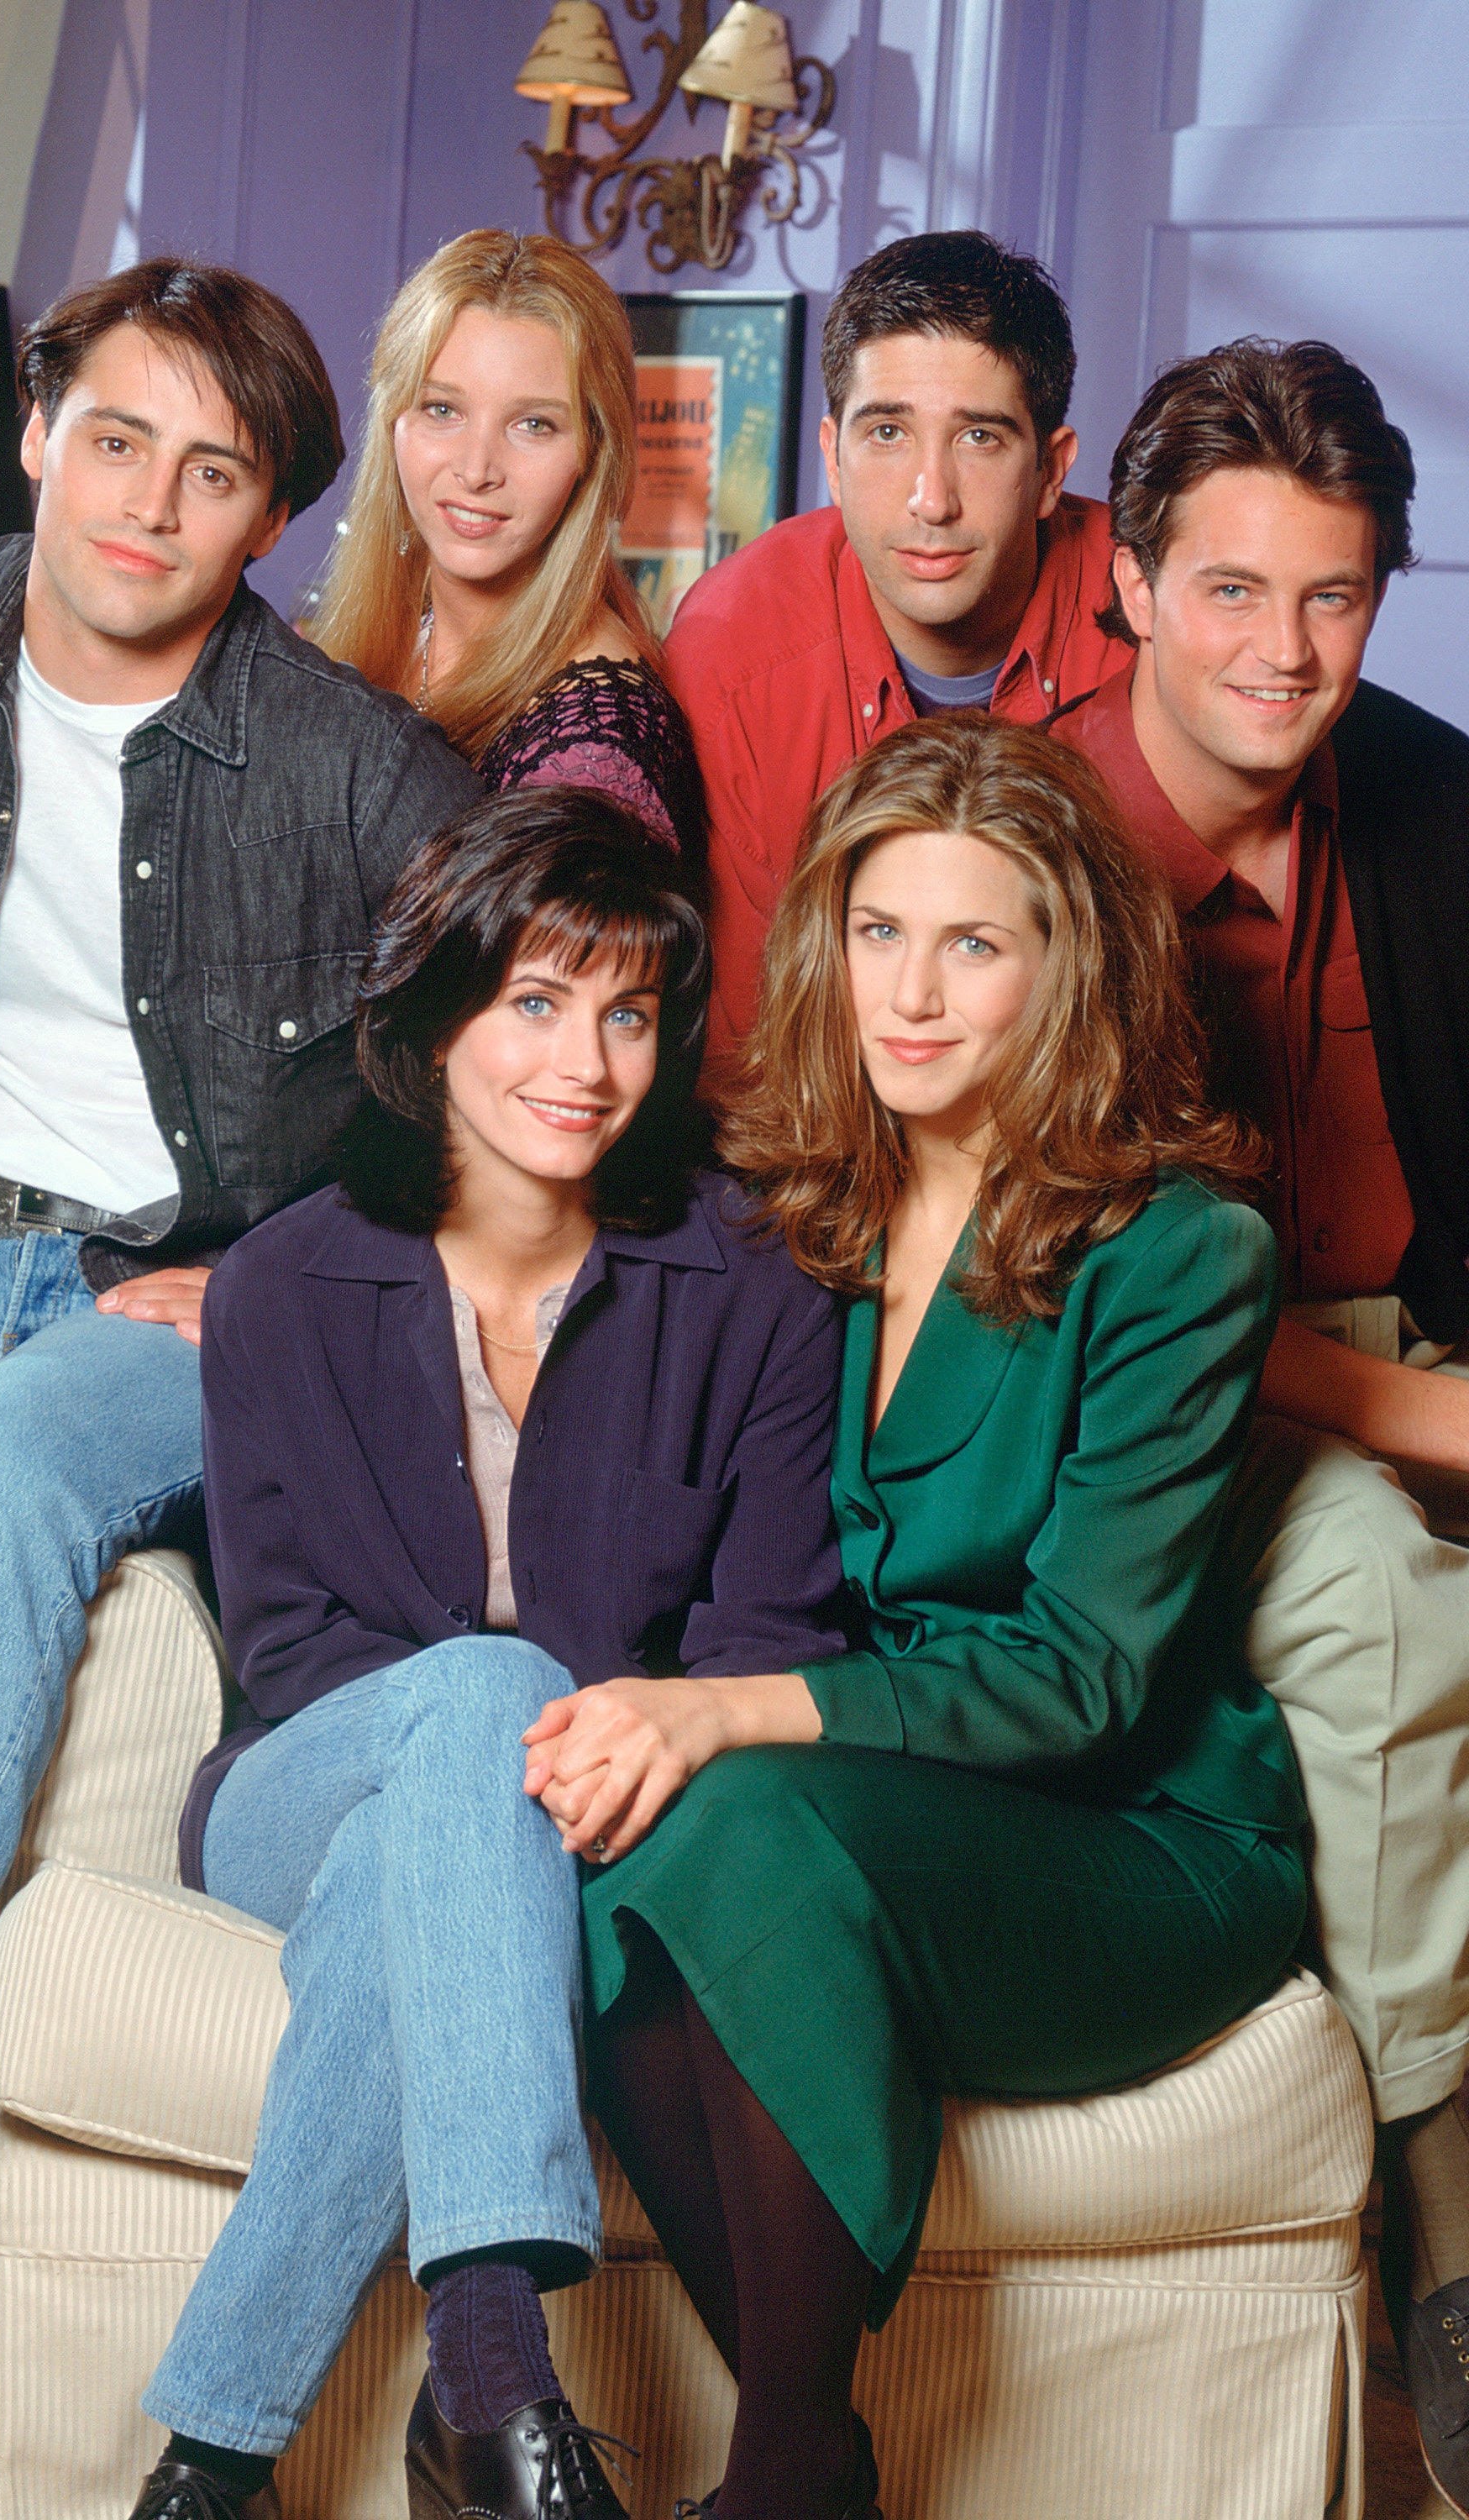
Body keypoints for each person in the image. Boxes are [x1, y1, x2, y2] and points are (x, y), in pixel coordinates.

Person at [0, 257, 477, 2339]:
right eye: (112, 441)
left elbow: (512, 1095)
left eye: (210, 473)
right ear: (35, 430)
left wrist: (278, 1272)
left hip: (181, 1308)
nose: (144, 507)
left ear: (269, 516)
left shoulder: (358, 767)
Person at [519, 717, 1309, 2520]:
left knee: (728, 1809)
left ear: (1070, 968)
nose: (914, 994)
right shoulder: (792, 1208)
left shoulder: (1182, 1251)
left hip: (1134, 1844)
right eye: (880, 932)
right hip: (862, 1807)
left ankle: (786, 2465)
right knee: (599, 1843)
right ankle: (814, 2467)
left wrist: (728, 1709)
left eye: (975, 944)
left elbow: (1081, 1679)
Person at [126, 789, 847, 2520]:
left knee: (426, 1880)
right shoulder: (283, 1284)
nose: (584, 1064)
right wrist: (511, 1735)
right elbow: (292, 1644)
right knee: (485, 1695)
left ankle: (215, 2464)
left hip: (596, 1811)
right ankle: (495, 2365)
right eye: (534, 1001)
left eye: (628, 1013)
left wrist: (570, 1771)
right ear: (436, 1015)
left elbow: (764, 1631)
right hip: (301, 1786)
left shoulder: (752, 1281)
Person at [1051, 334, 1469, 2509]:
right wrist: (1426, 1424)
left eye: (1332, 595)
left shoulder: (1426, 803)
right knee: (1386, 1600)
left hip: (1404, 1342)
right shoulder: (1015, 842)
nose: (1284, 652)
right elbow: (1097, 1272)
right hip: (1134, 1388)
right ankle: (1447, 2237)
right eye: (1229, 590)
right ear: (1126, 582)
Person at [661, 229, 1134, 1058]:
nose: (931, 499)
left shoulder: (1148, 618)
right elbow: (752, 1048)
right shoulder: (732, 650)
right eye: (886, 433)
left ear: (1051, 471)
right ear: (832, 457)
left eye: (979, 437)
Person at [307, 228, 704, 869]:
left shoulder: (597, 748)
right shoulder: (395, 637)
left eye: (533, 424)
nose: (476, 469)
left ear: (594, 451)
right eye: (442, 409)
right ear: (392, 422)